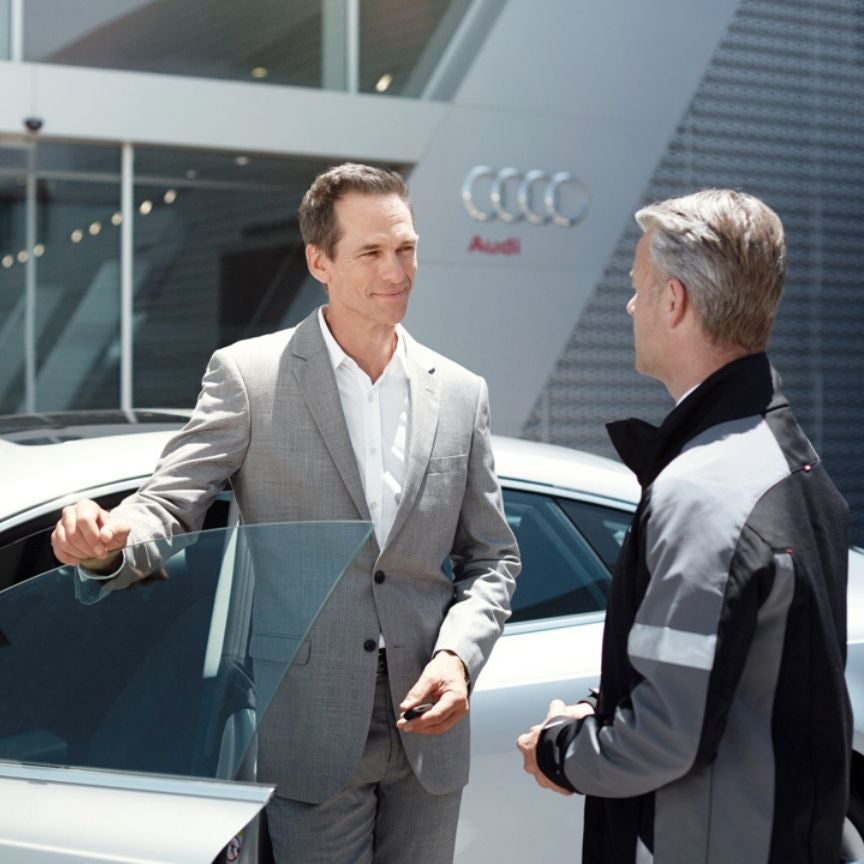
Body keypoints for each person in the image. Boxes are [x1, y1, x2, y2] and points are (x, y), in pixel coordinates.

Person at [52, 162, 520, 864]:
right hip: (307, 726)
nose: (397, 271)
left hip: (430, 727)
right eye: (371, 252)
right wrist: (111, 541)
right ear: (319, 261)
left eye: (407, 248)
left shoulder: (461, 391)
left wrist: (459, 657)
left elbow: (493, 557)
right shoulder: (249, 377)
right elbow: (168, 504)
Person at [517, 189, 851, 863]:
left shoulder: (705, 489)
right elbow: (724, 671)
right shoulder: (787, 456)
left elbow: (668, 733)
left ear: (674, 302)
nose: (630, 306)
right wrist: (603, 706)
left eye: (638, 287)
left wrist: (559, 749)